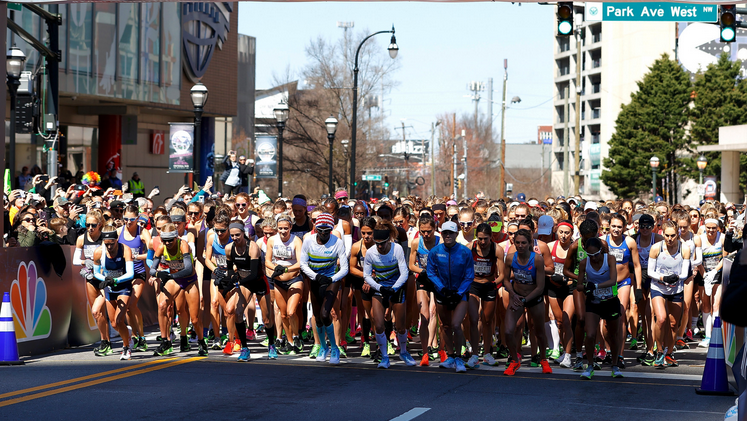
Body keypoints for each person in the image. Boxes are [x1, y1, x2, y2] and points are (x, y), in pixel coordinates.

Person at [362, 219, 416, 369]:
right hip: (380, 289)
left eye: (383, 243)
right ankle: (384, 357)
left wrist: (394, 288)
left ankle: (404, 352)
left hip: (396, 288)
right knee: (378, 325)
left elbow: (404, 272)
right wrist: (380, 288)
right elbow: (366, 276)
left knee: (400, 327)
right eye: (377, 243)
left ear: (388, 240)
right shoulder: (371, 253)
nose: (379, 246)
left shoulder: (397, 249)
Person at [150, 223, 208, 357]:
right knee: (162, 305)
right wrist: (159, 274)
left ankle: (201, 342)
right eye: (165, 240)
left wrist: (169, 275)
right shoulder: (161, 247)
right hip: (174, 279)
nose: (168, 243)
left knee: (194, 319)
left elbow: (188, 268)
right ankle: (165, 341)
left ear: (176, 237)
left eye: (171, 239)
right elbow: (153, 269)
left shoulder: (183, 245)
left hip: (189, 280)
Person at [299, 213, 349, 364]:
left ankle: (334, 348)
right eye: (321, 230)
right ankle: (322, 347)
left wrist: (331, 278)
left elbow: (345, 269)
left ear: (332, 229)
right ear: (316, 229)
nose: (324, 234)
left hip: (331, 279)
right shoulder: (308, 241)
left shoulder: (338, 242)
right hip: (315, 278)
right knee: (318, 317)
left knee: (326, 313)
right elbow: (303, 264)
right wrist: (315, 276)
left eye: (327, 231)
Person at [427, 221, 474, 373]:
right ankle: (451, 356)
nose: (448, 235)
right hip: (442, 293)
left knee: (455, 324)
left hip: (460, 294)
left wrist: (459, 292)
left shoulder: (465, 252)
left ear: (456, 234)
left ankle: (459, 358)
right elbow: (431, 272)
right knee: (445, 326)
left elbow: (469, 275)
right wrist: (442, 288)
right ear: (441, 234)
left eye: (451, 233)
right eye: (445, 233)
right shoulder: (435, 251)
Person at [503, 229, 552, 376]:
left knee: (539, 332)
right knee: (508, 330)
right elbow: (506, 279)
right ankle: (514, 360)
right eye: (517, 242)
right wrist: (513, 294)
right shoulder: (510, 258)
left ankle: (543, 359)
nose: (520, 245)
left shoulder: (537, 259)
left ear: (530, 243)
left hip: (534, 298)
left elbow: (540, 287)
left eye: (523, 242)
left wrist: (526, 299)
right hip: (517, 296)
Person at [225, 220, 273, 361]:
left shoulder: (252, 247)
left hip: (258, 282)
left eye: (237, 235)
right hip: (245, 283)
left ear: (243, 233)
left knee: (266, 318)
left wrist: (236, 281)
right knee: (238, 313)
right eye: (232, 235)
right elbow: (230, 271)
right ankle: (245, 348)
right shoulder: (229, 248)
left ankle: (271, 344)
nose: (235, 238)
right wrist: (228, 280)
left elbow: (252, 274)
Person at [576, 237, 624, 379]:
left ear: (601, 251)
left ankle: (615, 365)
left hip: (610, 301)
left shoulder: (609, 259)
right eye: (590, 255)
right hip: (594, 301)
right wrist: (585, 286)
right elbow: (578, 285)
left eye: (596, 255)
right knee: (590, 334)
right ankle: (590, 365)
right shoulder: (584, 263)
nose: (594, 258)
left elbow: (612, 280)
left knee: (612, 335)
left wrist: (595, 286)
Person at [648, 220, 691, 368]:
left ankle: (669, 352)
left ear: (678, 234)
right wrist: (663, 278)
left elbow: (685, 272)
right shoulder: (656, 248)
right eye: (667, 235)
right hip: (658, 287)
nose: (670, 239)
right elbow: (649, 271)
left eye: (673, 235)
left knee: (673, 324)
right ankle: (659, 351)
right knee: (661, 319)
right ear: (662, 233)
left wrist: (676, 278)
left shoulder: (684, 248)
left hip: (676, 288)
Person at [92, 226, 135, 360]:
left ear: (117, 240)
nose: (109, 247)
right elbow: (95, 273)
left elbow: (130, 273)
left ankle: (126, 347)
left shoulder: (125, 249)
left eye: (112, 243)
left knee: (118, 319)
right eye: (106, 244)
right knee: (115, 324)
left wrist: (115, 280)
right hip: (109, 288)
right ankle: (127, 333)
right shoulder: (99, 252)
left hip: (124, 287)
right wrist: (106, 280)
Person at [265, 214, 304, 354]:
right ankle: (290, 341)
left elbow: (301, 263)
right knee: (283, 315)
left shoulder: (296, 241)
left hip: (294, 279)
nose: (282, 231)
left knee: (291, 311)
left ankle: (296, 335)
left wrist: (286, 268)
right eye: (280, 228)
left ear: (290, 227)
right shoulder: (272, 240)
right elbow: (267, 261)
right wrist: (275, 268)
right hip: (279, 281)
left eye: (285, 228)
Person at [469, 223, 505, 367]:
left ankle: (487, 353)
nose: (482, 242)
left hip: (490, 285)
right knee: (473, 318)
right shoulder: (469, 247)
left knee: (488, 320)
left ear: (491, 237)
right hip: (474, 285)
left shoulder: (497, 249)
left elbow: (503, 275)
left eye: (486, 239)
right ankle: (474, 355)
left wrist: (494, 284)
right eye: (480, 239)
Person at [117, 205, 151, 352]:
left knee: (132, 303)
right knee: (128, 309)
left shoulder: (143, 232)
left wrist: (135, 256)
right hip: (124, 273)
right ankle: (134, 336)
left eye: (131, 219)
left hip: (138, 272)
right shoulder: (119, 232)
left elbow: (152, 252)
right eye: (125, 219)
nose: (128, 222)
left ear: (137, 219)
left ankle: (141, 337)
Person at [73, 210, 108, 355]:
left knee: (112, 316)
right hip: (91, 278)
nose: (90, 228)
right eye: (87, 225)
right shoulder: (82, 239)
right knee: (97, 312)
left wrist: (96, 264)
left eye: (93, 225)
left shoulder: (105, 237)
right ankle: (105, 341)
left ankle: (131, 337)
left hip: (105, 278)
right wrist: (85, 262)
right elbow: (75, 261)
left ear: (100, 225)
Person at [408, 216, 440, 366]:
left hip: (437, 279)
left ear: (434, 229)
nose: (426, 235)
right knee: (424, 314)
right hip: (423, 278)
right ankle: (425, 351)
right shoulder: (416, 242)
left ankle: (432, 347)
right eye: (423, 232)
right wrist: (422, 271)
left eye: (429, 231)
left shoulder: (440, 242)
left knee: (434, 312)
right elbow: (411, 265)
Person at [547, 220, 575, 368]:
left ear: (572, 234)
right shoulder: (550, 247)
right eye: (561, 232)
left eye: (567, 233)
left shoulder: (575, 247)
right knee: (559, 323)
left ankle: (569, 355)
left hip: (569, 288)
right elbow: (545, 268)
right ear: (556, 232)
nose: (563, 236)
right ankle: (565, 351)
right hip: (553, 288)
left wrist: (569, 279)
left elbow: (579, 270)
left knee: (566, 320)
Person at [698, 217, 726, 348]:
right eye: (708, 228)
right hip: (703, 273)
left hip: (718, 272)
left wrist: (714, 271)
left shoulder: (722, 238)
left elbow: (725, 258)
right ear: (704, 227)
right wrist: (705, 276)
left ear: (718, 228)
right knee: (705, 305)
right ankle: (707, 335)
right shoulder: (700, 239)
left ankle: (716, 335)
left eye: (714, 228)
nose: (711, 230)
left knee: (716, 304)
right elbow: (697, 260)